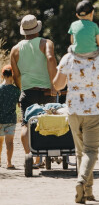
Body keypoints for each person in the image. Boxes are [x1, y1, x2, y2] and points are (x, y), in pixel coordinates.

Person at [53, 50, 99, 204]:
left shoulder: (68, 58)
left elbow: (58, 85)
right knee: (91, 150)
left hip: (74, 111)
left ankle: (88, 191)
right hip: (93, 111)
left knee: (81, 151)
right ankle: (81, 182)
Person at [10, 15, 58, 164]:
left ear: (23, 31)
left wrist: (22, 88)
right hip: (46, 91)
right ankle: (47, 154)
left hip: (28, 91)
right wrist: (53, 84)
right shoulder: (46, 43)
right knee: (48, 122)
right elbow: (50, 59)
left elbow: (15, 75)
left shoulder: (15, 49)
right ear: (37, 28)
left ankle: (31, 157)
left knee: (26, 124)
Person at [0, 65, 20, 169]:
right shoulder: (16, 90)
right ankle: (9, 163)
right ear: (13, 75)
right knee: (10, 142)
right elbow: (19, 104)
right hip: (11, 119)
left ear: (2, 75)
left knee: (0, 141)